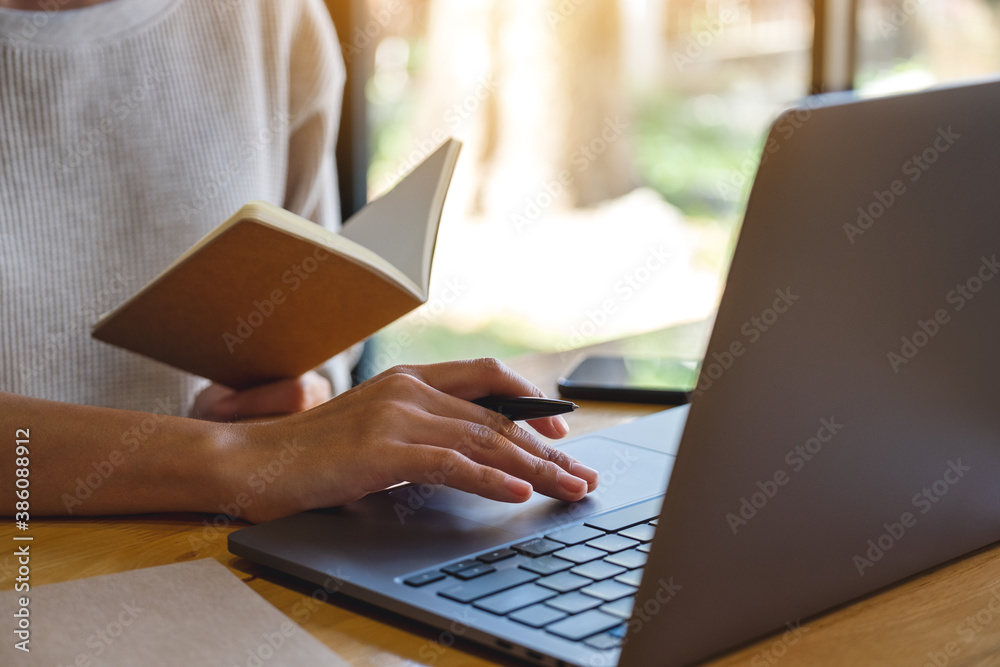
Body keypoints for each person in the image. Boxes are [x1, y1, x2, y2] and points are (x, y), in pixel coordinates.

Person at [0, 0, 598, 523]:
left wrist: (300, 409)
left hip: (205, 550)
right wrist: (232, 458)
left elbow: (314, 348)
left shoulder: (269, 14)